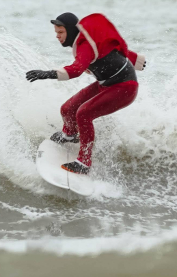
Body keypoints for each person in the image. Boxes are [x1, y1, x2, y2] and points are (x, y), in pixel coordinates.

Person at [25, 12, 147, 175]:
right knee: (68, 109)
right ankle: (69, 135)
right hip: (106, 84)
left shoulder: (84, 44)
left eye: (60, 32)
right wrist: (135, 59)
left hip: (124, 88)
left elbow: (76, 70)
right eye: (56, 33)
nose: (57, 36)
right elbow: (109, 47)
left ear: (70, 30)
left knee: (83, 114)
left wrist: (48, 73)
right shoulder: (86, 40)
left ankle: (84, 162)